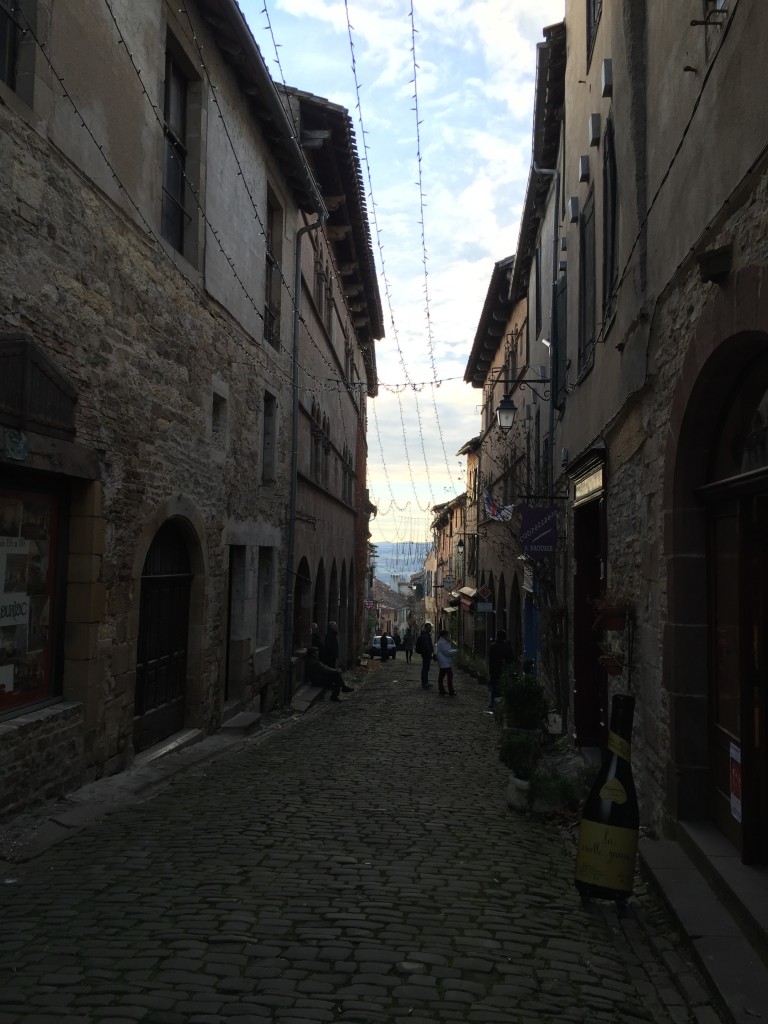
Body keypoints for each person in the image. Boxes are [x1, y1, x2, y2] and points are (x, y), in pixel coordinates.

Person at [487, 628, 514, 712]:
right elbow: (510, 659)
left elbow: (490, 659)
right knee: (502, 686)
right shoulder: (506, 647)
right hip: (503, 669)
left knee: (494, 686)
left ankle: (492, 702)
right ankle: (501, 702)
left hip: (494, 669)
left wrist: (490, 670)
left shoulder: (492, 646)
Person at [435, 629, 458, 696]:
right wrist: (455, 651)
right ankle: (451, 691)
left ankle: (441, 690)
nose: (447, 636)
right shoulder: (442, 642)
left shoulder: (442, 641)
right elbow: (446, 652)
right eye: (447, 634)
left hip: (444, 662)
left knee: (441, 676)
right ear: (444, 635)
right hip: (444, 662)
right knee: (449, 676)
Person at [414, 622, 434, 689]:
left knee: (426, 668)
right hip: (426, 654)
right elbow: (427, 645)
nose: (430, 629)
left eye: (430, 627)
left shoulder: (426, 635)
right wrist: (430, 653)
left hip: (425, 653)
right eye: (428, 627)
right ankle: (424, 683)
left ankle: (425, 682)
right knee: (425, 668)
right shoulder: (425, 636)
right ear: (425, 628)